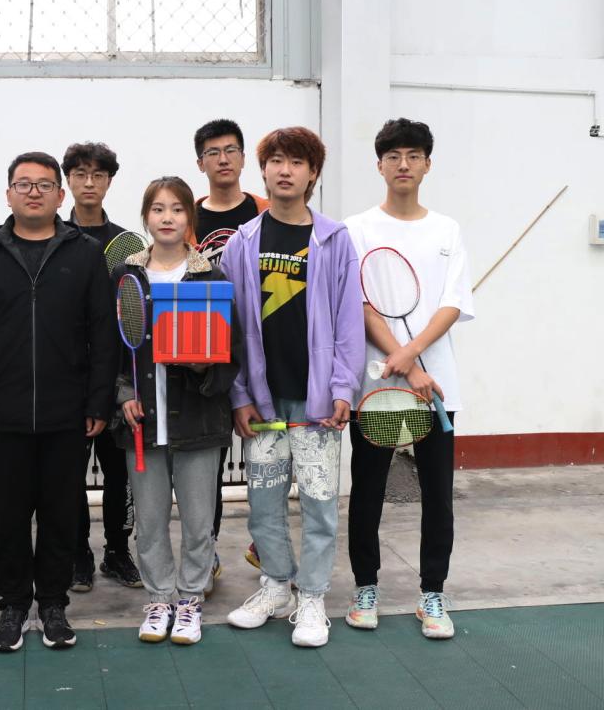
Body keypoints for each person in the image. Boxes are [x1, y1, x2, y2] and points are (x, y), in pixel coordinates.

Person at [0, 151, 117, 651]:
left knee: (61, 514)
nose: (33, 192)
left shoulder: (85, 253)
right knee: (5, 515)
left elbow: (102, 334)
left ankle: (53, 605)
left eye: (44, 185)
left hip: (67, 413)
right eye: (23, 184)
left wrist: (98, 402)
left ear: (59, 195)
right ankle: (12, 606)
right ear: (8, 194)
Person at [222, 127, 364, 648]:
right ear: (263, 171)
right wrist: (239, 395)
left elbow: (349, 321)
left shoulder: (334, 239)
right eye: (276, 160)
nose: (285, 170)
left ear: (312, 173)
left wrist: (344, 387)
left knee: (320, 502)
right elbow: (231, 327)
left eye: (297, 162)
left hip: (317, 401)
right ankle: (276, 586)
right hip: (262, 401)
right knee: (264, 502)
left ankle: (313, 596)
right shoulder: (241, 242)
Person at [343, 118, 474, 640]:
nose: (403, 164)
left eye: (413, 155)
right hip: (375, 387)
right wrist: (406, 363)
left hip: (436, 389)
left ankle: (432, 593)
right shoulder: (356, 229)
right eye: (394, 156)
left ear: (427, 164)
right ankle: (365, 588)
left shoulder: (447, 230)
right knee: (367, 493)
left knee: (438, 495)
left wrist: (413, 357)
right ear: (379, 165)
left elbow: (452, 303)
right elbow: (358, 303)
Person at [114, 176, 241, 645]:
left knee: (198, 520)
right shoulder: (125, 276)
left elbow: (233, 350)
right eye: (158, 209)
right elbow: (109, 348)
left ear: (190, 217)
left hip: (198, 418)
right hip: (143, 421)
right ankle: (158, 598)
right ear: (146, 216)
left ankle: (189, 601)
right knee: (148, 522)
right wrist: (122, 394)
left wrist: (206, 365)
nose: (167, 218)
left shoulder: (211, 277)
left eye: (177, 209)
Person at [192, 119, 270, 586]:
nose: (223, 159)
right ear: (200, 162)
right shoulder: (187, 216)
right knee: (210, 465)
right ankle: (208, 552)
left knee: (268, 458)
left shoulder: (266, 210)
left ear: (243, 158)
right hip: (208, 355)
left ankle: (267, 546)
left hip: (261, 352)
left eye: (231, 150)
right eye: (212, 152)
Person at [61, 141, 140, 592]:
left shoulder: (128, 244)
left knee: (119, 473)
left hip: (117, 379)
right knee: (70, 474)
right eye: (80, 174)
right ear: (69, 180)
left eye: (98, 175)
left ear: (109, 181)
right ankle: (78, 555)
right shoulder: (55, 238)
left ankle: (117, 552)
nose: (89, 183)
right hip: (69, 378)